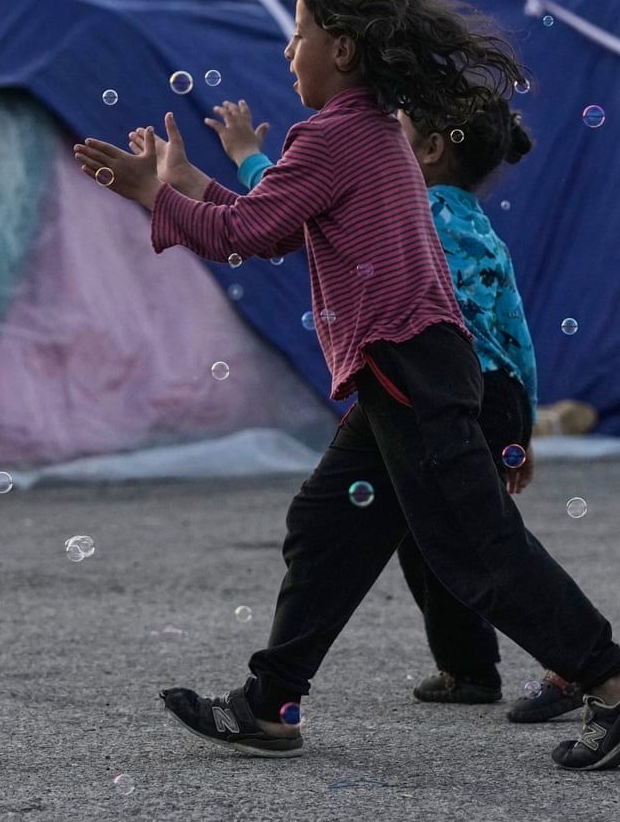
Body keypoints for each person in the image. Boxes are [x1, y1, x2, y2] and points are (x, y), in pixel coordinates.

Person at [72, 0, 620, 770]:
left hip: (406, 364)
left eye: (299, 34)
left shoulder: (337, 135)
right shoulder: (371, 134)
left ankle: (614, 683)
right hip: (408, 366)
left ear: (345, 50)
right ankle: (269, 704)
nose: (289, 52)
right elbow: (277, 225)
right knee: (327, 522)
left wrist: (156, 197)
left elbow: (247, 235)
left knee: (473, 545)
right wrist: (188, 185)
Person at [199, 96, 582, 722]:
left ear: (429, 151)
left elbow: (294, 205)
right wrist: (524, 425)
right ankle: (468, 669)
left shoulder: (408, 210)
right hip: (497, 392)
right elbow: (516, 333)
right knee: (433, 535)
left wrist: (246, 156)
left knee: (474, 541)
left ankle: (579, 664)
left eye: (394, 132)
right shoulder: (481, 226)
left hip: (438, 388)